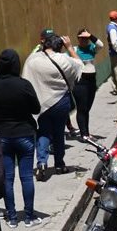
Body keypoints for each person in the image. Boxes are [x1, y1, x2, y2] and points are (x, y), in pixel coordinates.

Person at [0, 48, 41, 228]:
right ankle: (29, 216)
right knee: (26, 177)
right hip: (24, 134)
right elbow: (36, 108)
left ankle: (12, 217)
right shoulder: (24, 85)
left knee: (7, 178)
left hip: (2, 136)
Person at [22, 35, 82, 180]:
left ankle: (42, 162)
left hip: (42, 103)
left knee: (43, 132)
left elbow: (26, 78)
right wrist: (70, 48)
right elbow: (79, 65)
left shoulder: (33, 60)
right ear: (59, 46)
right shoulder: (64, 59)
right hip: (61, 102)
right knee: (59, 133)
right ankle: (59, 164)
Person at [73, 29, 104, 141]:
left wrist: (91, 35)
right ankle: (84, 134)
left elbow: (101, 45)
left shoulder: (91, 48)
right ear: (78, 38)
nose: (84, 40)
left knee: (87, 109)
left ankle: (86, 133)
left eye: (86, 38)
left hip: (91, 81)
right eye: (82, 38)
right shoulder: (74, 50)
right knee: (82, 108)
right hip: (80, 82)